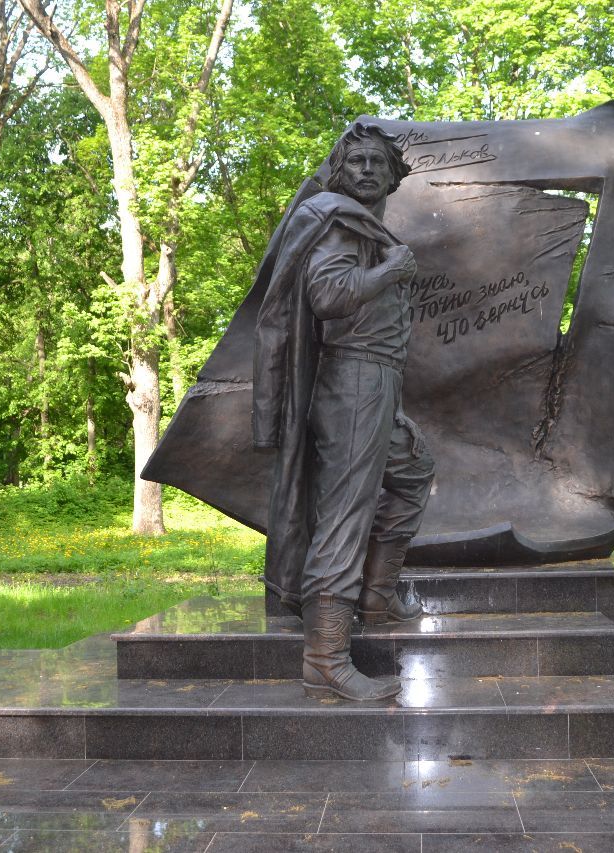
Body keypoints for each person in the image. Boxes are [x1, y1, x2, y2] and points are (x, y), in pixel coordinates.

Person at [252, 122, 435, 701]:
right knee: (343, 518)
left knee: (413, 473)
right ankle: (325, 658)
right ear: (338, 170)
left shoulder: (366, 228)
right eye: (354, 161)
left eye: (376, 163)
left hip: (377, 385)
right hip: (353, 383)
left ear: (393, 175)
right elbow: (326, 298)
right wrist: (391, 272)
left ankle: (377, 597)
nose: (365, 171)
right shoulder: (339, 222)